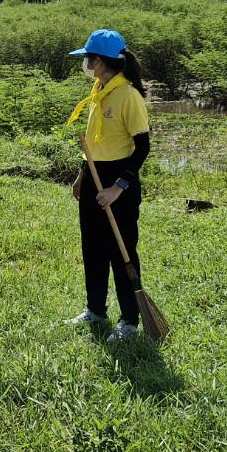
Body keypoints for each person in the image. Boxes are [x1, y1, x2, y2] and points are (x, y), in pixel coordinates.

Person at [65, 28, 151, 342]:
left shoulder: (127, 96)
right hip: (93, 175)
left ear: (100, 61)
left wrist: (118, 187)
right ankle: (95, 309)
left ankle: (129, 320)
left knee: (122, 251)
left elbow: (142, 147)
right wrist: (82, 175)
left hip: (118, 183)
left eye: (88, 59)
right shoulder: (99, 92)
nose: (85, 64)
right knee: (93, 248)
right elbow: (93, 143)